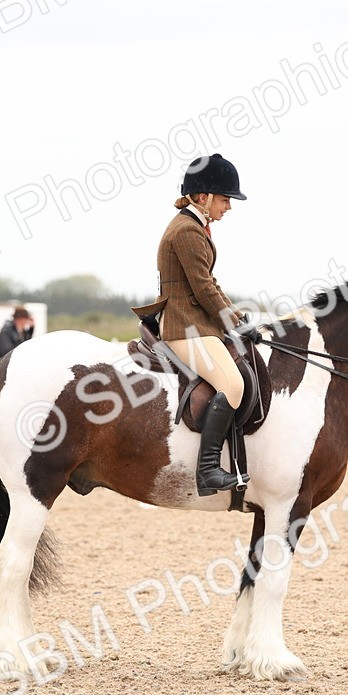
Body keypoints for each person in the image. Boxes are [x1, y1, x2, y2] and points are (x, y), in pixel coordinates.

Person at [131, 154, 257, 496]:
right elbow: (202, 289)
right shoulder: (186, 230)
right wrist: (234, 323)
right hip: (186, 327)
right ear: (202, 196)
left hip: (199, 324)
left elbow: (210, 283)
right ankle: (208, 470)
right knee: (232, 385)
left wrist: (240, 319)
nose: (229, 206)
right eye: (225, 198)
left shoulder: (193, 227)